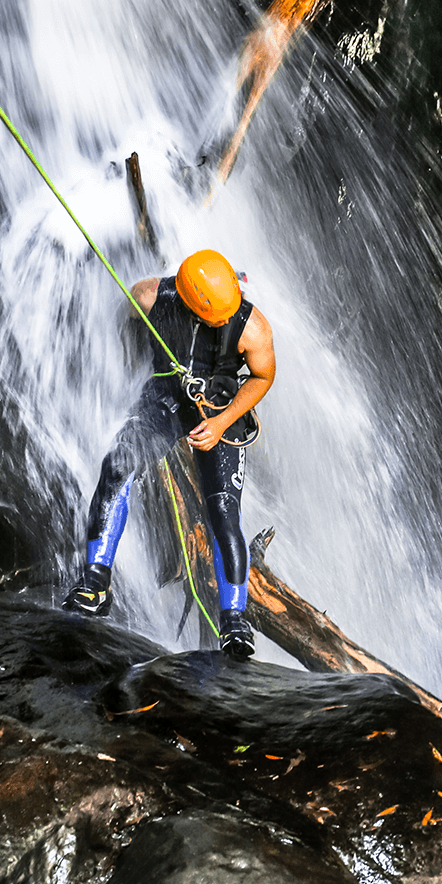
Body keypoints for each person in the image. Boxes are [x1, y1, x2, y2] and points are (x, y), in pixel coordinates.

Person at [62, 249, 275, 659]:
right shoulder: (148, 297)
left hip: (219, 407)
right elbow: (122, 321)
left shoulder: (251, 326)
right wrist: (135, 363)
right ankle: (95, 582)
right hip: (165, 396)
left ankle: (234, 620)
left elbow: (264, 375)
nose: (224, 321)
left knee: (223, 508)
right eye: (215, 318)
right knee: (117, 468)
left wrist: (220, 421)